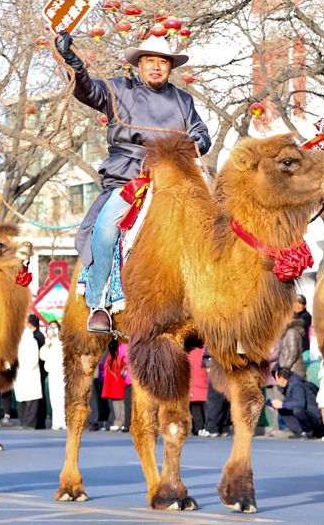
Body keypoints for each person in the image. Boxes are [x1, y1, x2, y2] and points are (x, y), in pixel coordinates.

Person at [55, 30, 211, 333]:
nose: (156, 67)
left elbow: (201, 132)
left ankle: (213, 302)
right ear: (139, 64)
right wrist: (73, 61)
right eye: (150, 61)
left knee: (213, 225)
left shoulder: (183, 100)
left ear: (170, 67)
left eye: (163, 62)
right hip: (128, 177)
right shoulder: (118, 89)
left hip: (174, 178)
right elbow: (88, 92)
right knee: (105, 227)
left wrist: (199, 139)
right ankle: (99, 302)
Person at [269, 366, 324, 439]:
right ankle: (300, 431)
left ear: (282, 379)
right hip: (309, 415)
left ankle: (309, 432)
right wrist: (277, 404)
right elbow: (292, 401)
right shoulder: (289, 385)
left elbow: (300, 404)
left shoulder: (296, 385)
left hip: (316, 419)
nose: (276, 382)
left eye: (276, 379)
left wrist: (282, 404)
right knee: (282, 408)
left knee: (297, 410)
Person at [13, 321, 42, 430]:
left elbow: (33, 360)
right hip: (20, 375)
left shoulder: (32, 342)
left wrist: (22, 368)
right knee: (21, 401)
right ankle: (22, 422)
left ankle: (29, 424)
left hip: (30, 375)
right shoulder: (17, 344)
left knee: (31, 401)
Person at [39, 321, 66, 430]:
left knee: (62, 397)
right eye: (50, 328)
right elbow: (43, 356)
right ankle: (57, 422)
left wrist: (54, 340)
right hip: (52, 373)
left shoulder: (60, 341)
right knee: (54, 398)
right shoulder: (48, 342)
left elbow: (62, 351)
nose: (51, 330)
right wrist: (46, 345)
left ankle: (64, 422)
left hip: (61, 371)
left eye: (54, 328)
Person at [102, 342, 128, 431]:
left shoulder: (122, 345)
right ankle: (118, 422)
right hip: (112, 377)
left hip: (118, 376)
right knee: (115, 400)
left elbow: (122, 359)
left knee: (121, 400)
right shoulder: (113, 347)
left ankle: (122, 422)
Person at [188, 346, 207, 435]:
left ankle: (198, 428)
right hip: (202, 381)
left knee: (195, 407)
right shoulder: (205, 346)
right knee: (205, 406)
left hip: (194, 383)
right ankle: (204, 427)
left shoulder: (189, 346)